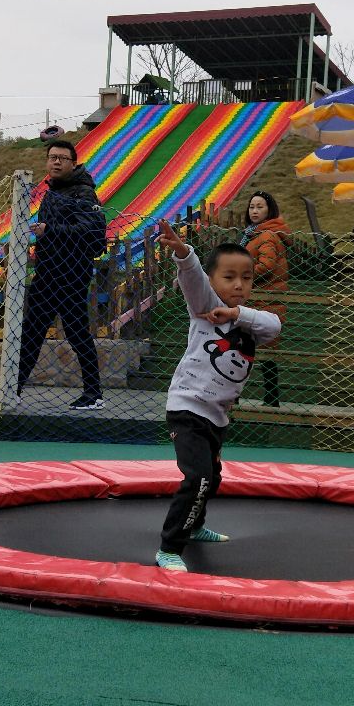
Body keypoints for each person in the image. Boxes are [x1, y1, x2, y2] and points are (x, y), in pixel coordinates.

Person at [155, 219, 281, 571]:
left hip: (217, 415)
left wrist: (237, 313)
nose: (239, 285)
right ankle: (169, 547)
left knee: (213, 475)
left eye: (246, 277)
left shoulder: (252, 323)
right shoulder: (203, 307)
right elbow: (193, 276)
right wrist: (183, 253)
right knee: (198, 478)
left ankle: (195, 526)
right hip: (187, 408)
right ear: (213, 282)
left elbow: (275, 326)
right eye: (229, 277)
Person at [0, 140, 107, 410]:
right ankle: (11, 388)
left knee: (76, 334)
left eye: (62, 158)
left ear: (74, 163)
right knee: (32, 331)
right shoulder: (53, 192)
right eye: (52, 158)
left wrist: (49, 230)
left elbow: (91, 233)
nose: (57, 162)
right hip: (47, 272)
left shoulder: (83, 194)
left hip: (71, 275)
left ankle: (94, 394)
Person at [239, 191, 291, 406]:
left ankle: (242, 396)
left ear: (270, 210)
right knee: (260, 351)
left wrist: (240, 272)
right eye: (252, 207)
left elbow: (266, 266)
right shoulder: (255, 234)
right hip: (260, 300)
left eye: (260, 207)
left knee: (247, 350)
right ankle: (270, 398)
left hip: (264, 301)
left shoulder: (267, 235)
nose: (255, 211)